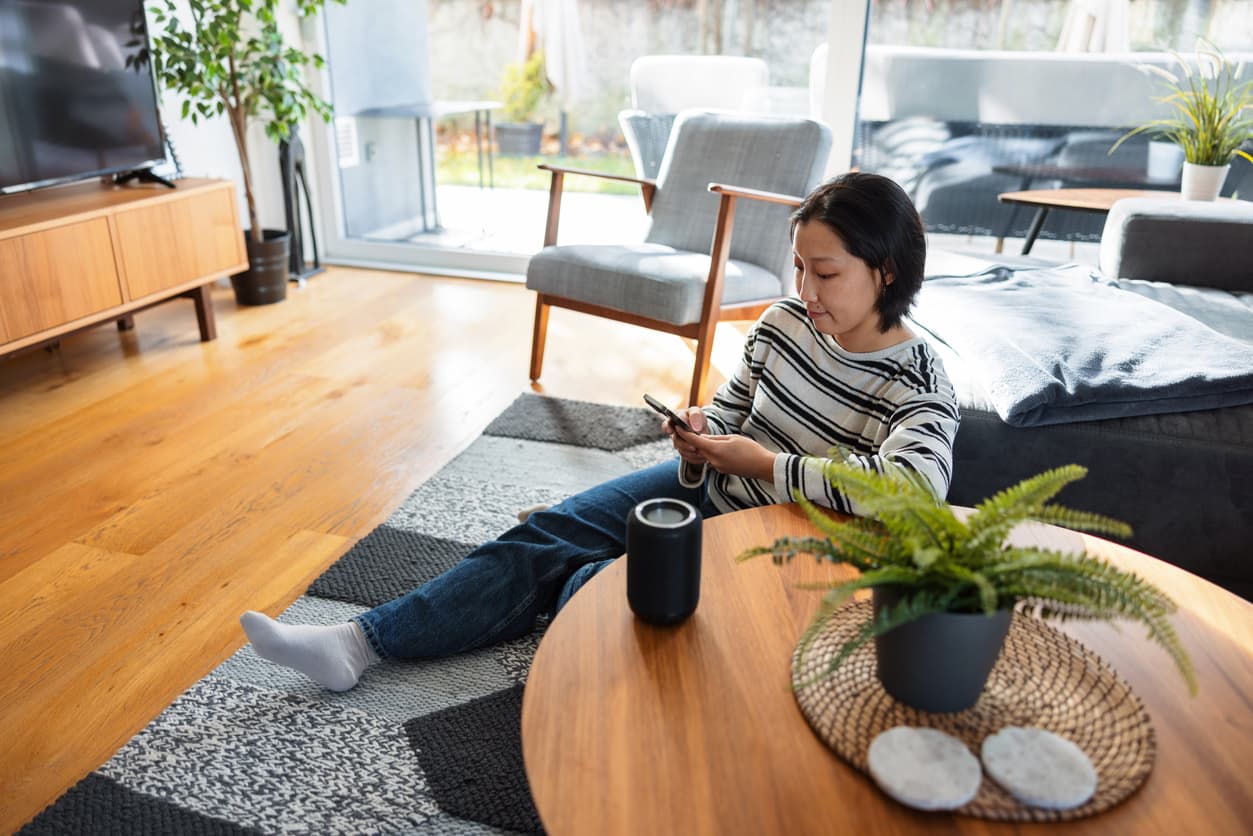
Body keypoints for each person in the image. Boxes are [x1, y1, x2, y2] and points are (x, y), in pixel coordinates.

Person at [240, 172, 960, 691]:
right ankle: (355, 643)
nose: (804, 290)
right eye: (798, 267)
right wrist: (701, 435)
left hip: (773, 545)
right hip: (714, 490)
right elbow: (733, 411)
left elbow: (915, 491)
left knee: (589, 580)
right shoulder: (783, 323)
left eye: (825, 273)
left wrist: (764, 465)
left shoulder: (920, 378)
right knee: (549, 532)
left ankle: (575, 610)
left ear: (886, 270)